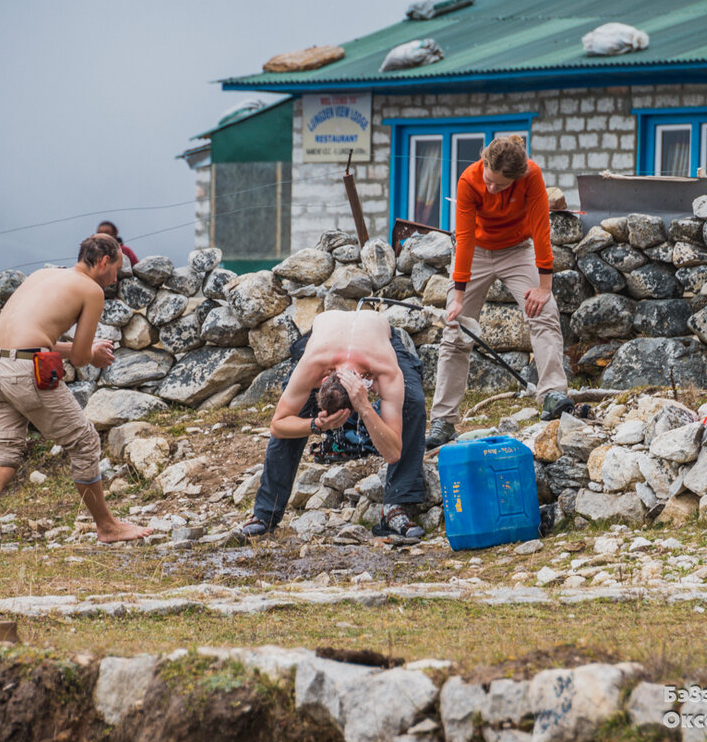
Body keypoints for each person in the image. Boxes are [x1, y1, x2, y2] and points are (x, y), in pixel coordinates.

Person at [0, 233, 151, 554]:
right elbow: (77, 358)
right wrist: (93, 353)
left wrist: (84, 348)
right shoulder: (92, 290)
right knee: (85, 441)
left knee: (3, 461)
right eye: (116, 268)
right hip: (25, 371)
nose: (116, 277)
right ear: (104, 262)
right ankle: (108, 527)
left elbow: (33, 336)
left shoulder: (42, 274)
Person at [425, 135, 572, 449]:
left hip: (517, 251)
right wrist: (459, 299)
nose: (492, 189)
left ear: (517, 179)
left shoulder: (531, 176)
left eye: (500, 186)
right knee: (455, 330)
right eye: (489, 181)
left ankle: (553, 395)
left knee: (544, 313)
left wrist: (545, 287)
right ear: (484, 163)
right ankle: (443, 420)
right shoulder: (469, 180)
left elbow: (540, 228)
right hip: (476, 251)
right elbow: (464, 239)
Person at [239, 310, 426, 540]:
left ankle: (395, 506)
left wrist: (365, 408)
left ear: (367, 384)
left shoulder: (384, 368)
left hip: (378, 337)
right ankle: (264, 514)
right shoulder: (314, 364)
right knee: (295, 410)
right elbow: (277, 425)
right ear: (323, 379)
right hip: (325, 338)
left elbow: (393, 452)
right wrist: (315, 425)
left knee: (413, 401)